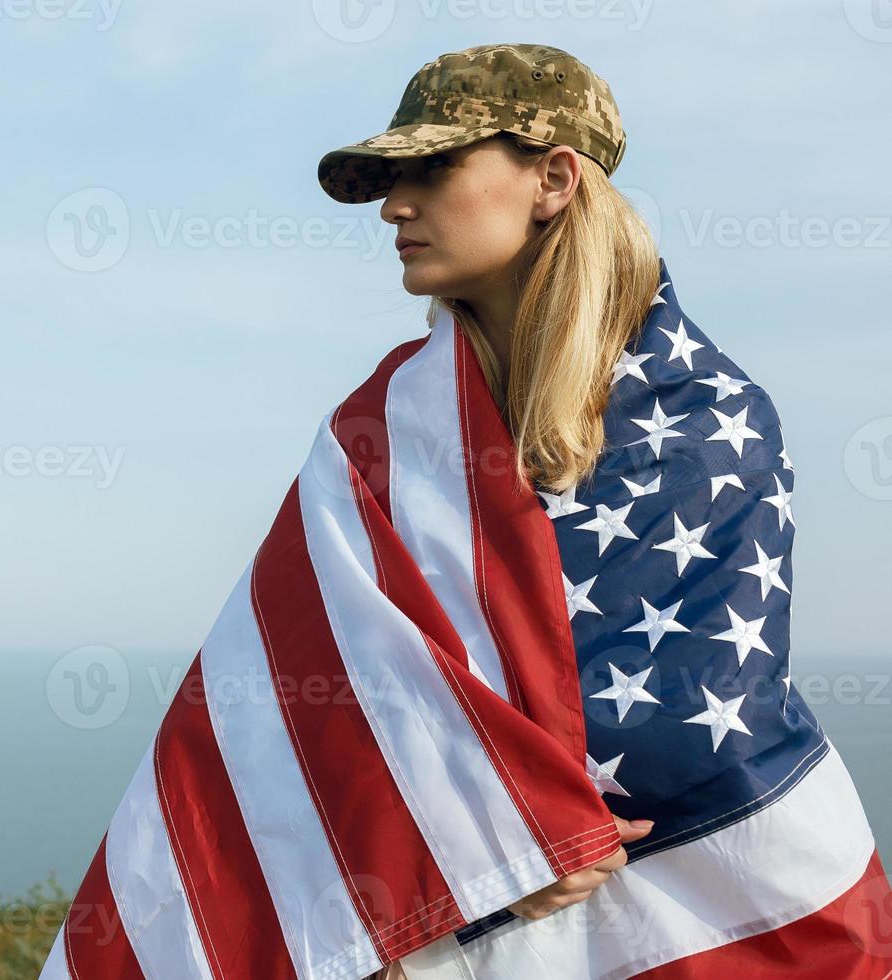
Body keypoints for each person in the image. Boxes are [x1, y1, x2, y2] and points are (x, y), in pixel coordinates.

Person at [314, 42, 890, 979]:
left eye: (432, 167)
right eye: (390, 179)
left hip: (703, 921)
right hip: (445, 922)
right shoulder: (376, 437)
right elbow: (316, 691)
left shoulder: (707, 419)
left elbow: (686, 720)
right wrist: (472, 854)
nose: (393, 207)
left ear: (552, 179)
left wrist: (498, 841)